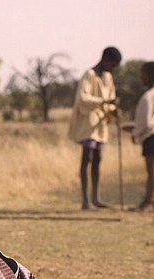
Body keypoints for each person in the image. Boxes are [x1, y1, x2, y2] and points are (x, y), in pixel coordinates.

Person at [68, 46, 122, 210]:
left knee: (98, 159)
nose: (112, 69)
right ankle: (86, 200)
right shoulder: (89, 74)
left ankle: (96, 198)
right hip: (89, 123)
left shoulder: (108, 77)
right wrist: (104, 102)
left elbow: (111, 99)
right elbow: (82, 99)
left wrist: (114, 110)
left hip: (101, 124)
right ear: (105, 59)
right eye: (112, 65)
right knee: (87, 158)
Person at [121, 61, 154, 211]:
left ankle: (148, 201)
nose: (141, 77)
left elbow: (146, 123)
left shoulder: (148, 97)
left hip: (150, 138)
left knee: (151, 171)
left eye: (143, 74)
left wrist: (135, 132)